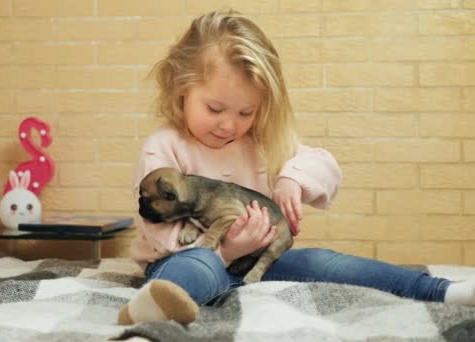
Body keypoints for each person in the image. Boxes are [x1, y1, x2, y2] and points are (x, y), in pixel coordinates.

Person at [117, 9, 475, 325]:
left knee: (323, 262)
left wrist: (292, 179)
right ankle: (152, 318)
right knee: (193, 268)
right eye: (214, 109)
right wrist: (226, 251)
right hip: (188, 261)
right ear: (182, 89)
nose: (229, 125)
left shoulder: (259, 141)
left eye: (246, 112)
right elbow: (156, 226)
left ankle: (442, 292)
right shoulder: (164, 147)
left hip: (262, 264)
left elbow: (325, 166)